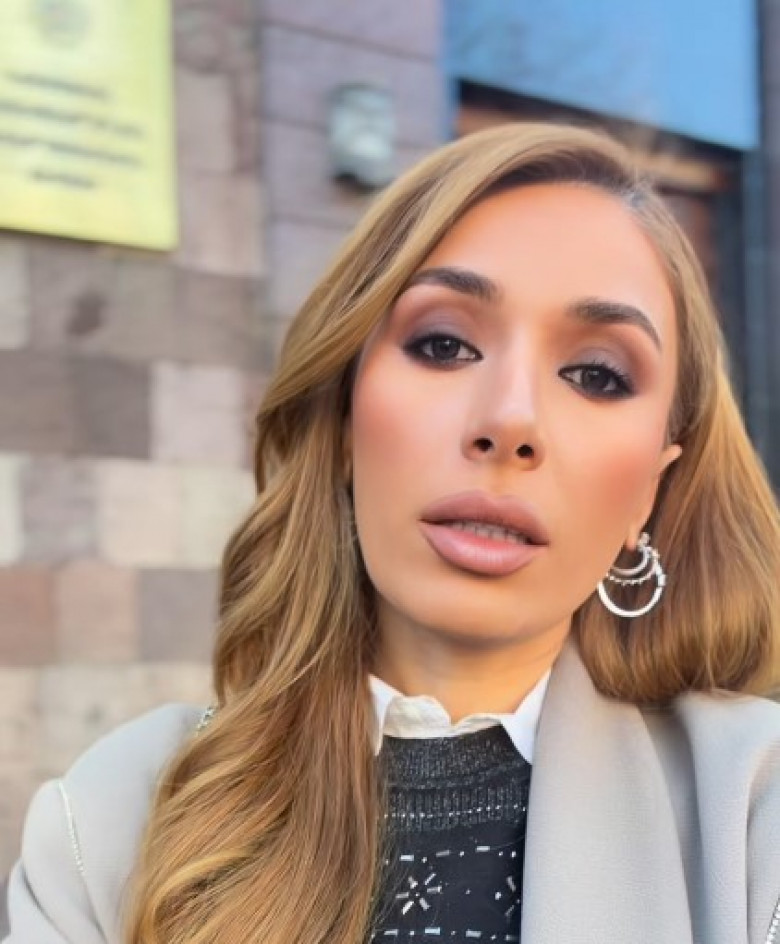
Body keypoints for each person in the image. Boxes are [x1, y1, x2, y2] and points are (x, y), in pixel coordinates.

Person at [4, 123, 780, 944]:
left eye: (596, 375)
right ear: (343, 417)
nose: (510, 421)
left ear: (649, 487)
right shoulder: (113, 823)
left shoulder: (752, 812)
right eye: (444, 345)